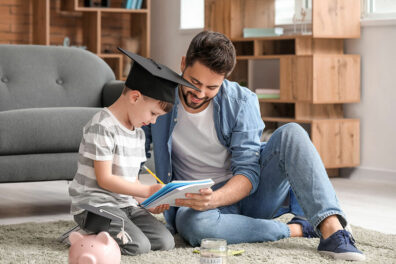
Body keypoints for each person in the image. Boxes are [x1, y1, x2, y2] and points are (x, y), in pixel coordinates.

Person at [143, 31, 366, 261]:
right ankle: (297, 229)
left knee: (292, 132)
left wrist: (215, 198)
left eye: (212, 87)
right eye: (194, 82)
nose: (200, 94)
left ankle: (333, 229)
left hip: (251, 195)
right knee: (191, 225)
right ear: (182, 63)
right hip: (198, 205)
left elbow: (248, 173)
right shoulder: (159, 98)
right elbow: (136, 151)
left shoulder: (241, 101)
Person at [68, 48, 200, 255]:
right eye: (153, 113)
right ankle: (85, 235)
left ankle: (107, 232)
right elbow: (105, 180)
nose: (154, 121)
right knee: (138, 245)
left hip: (124, 205)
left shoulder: (137, 133)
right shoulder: (102, 126)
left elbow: (131, 182)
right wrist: (146, 190)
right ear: (135, 97)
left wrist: (148, 201)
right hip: (94, 206)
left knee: (165, 241)